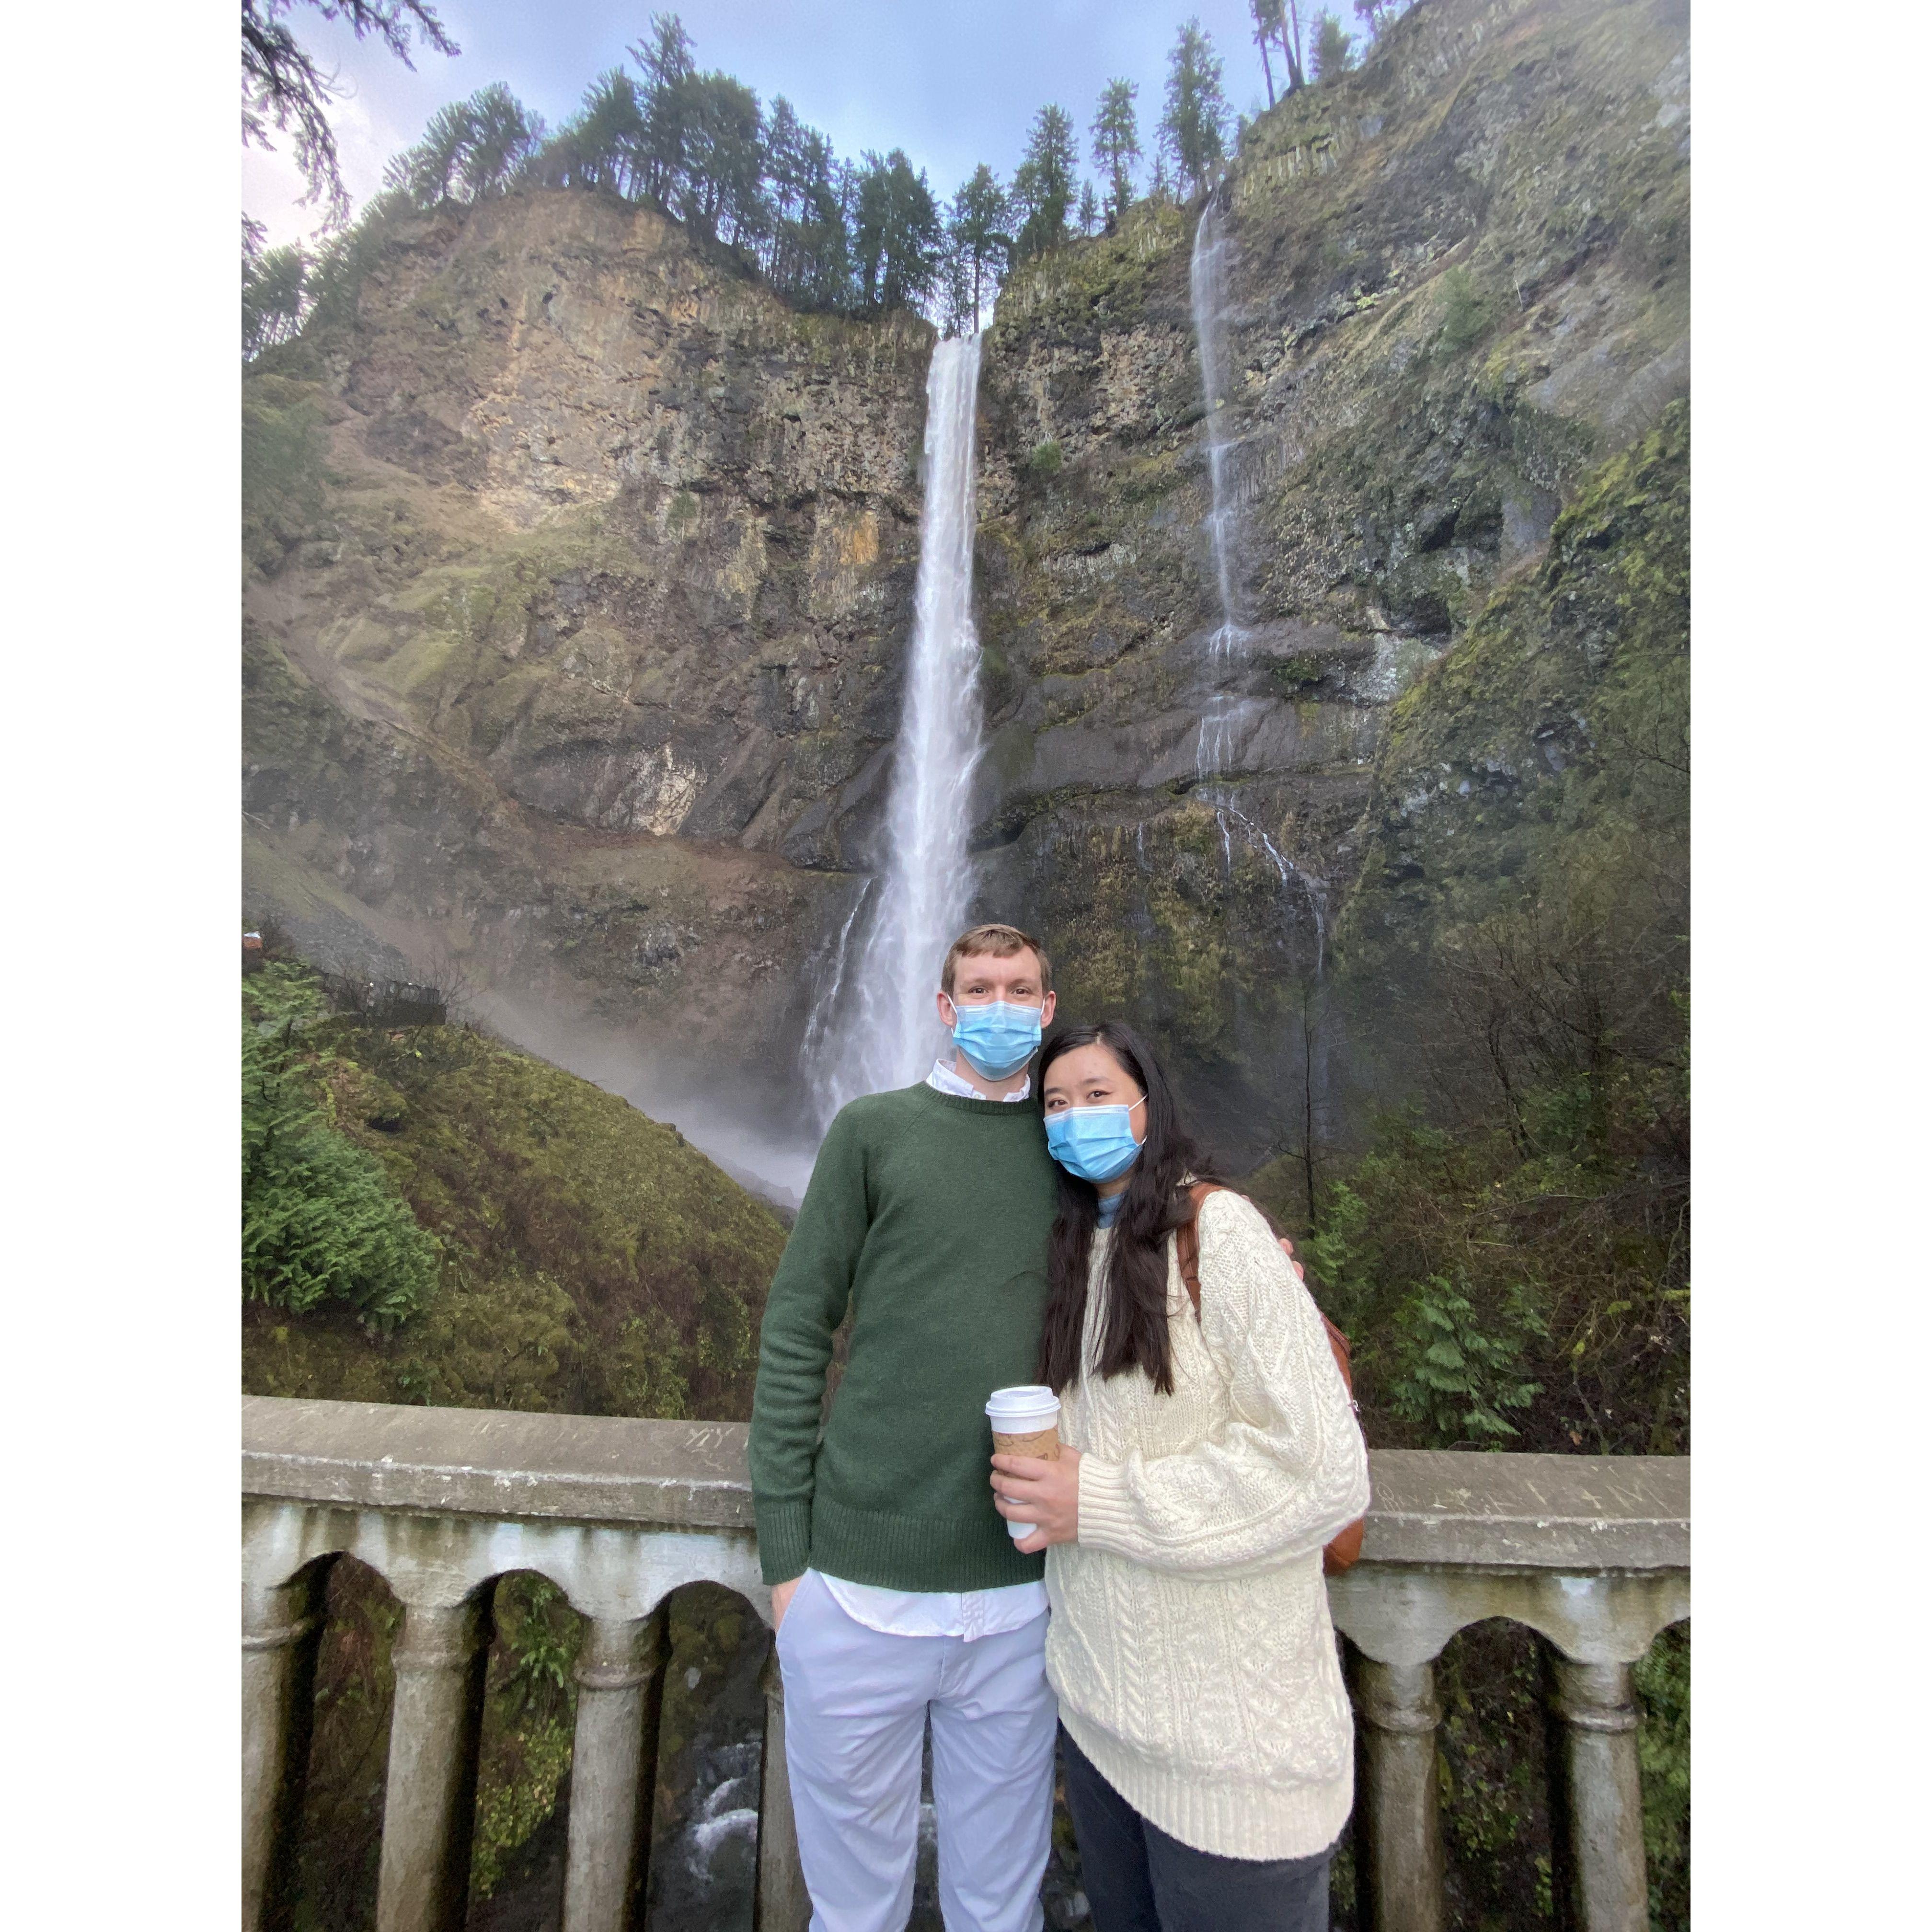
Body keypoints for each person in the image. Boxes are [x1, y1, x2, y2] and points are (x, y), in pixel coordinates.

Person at [989, 1021, 1370, 1932]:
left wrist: (1099, 1500)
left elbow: (1323, 1471)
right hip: (1102, 1740)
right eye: (1054, 1104)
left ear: (1147, 1108)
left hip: (1235, 1770)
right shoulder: (1074, 1252)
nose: (1074, 1118)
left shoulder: (1221, 1233)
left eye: (1096, 1096)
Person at [748, 922, 1063, 1932]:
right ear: (944, 1005)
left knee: (1002, 1910)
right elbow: (798, 1327)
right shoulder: (871, 1131)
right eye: (980, 988)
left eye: (1020, 991)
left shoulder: (1075, 1144)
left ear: (1048, 1012)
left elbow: (1167, 1251)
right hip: (855, 1593)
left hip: (1022, 1604)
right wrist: (788, 1559)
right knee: (852, 1914)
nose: (1000, 1007)